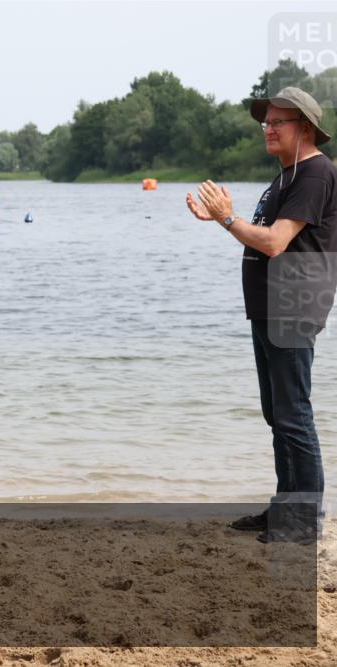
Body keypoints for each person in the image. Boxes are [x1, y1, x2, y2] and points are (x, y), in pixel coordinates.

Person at [186, 86, 336, 544]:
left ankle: (303, 522)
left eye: (278, 123)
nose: (268, 129)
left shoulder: (314, 174)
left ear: (305, 129)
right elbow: (264, 236)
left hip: (293, 307)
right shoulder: (288, 176)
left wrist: (227, 218)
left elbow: (273, 243)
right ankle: (284, 510)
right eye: (265, 122)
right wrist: (220, 220)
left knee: (293, 414)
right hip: (271, 309)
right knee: (278, 413)